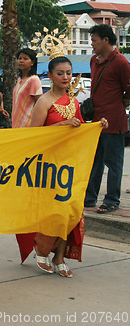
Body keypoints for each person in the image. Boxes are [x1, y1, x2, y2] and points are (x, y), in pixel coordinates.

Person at [16, 55, 108, 278]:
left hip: (70, 165)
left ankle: (59, 256)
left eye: (68, 73)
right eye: (60, 73)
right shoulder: (44, 102)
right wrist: (63, 125)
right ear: (50, 76)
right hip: (50, 168)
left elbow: (77, 130)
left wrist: (96, 126)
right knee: (54, 210)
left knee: (71, 210)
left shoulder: (74, 101)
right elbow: (35, 137)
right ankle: (42, 248)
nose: (65, 77)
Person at [84, 24, 130, 214]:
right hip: (96, 122)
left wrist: (120, 105)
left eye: (94, 40)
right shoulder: (94, 60)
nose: (92, 43)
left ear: (106, 40)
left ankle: (111, 200)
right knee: (95, 161)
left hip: (114, 121)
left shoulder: (120, 62)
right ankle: (89, 198)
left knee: (114, 163)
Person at [12, 48, 42, 128]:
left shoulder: (34, 80)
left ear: (32, 62)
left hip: (28, 124)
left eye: (25, 59)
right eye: (19, 58)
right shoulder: (19, 79)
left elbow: (40, 104)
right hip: (16, 123)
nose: (21, 61)